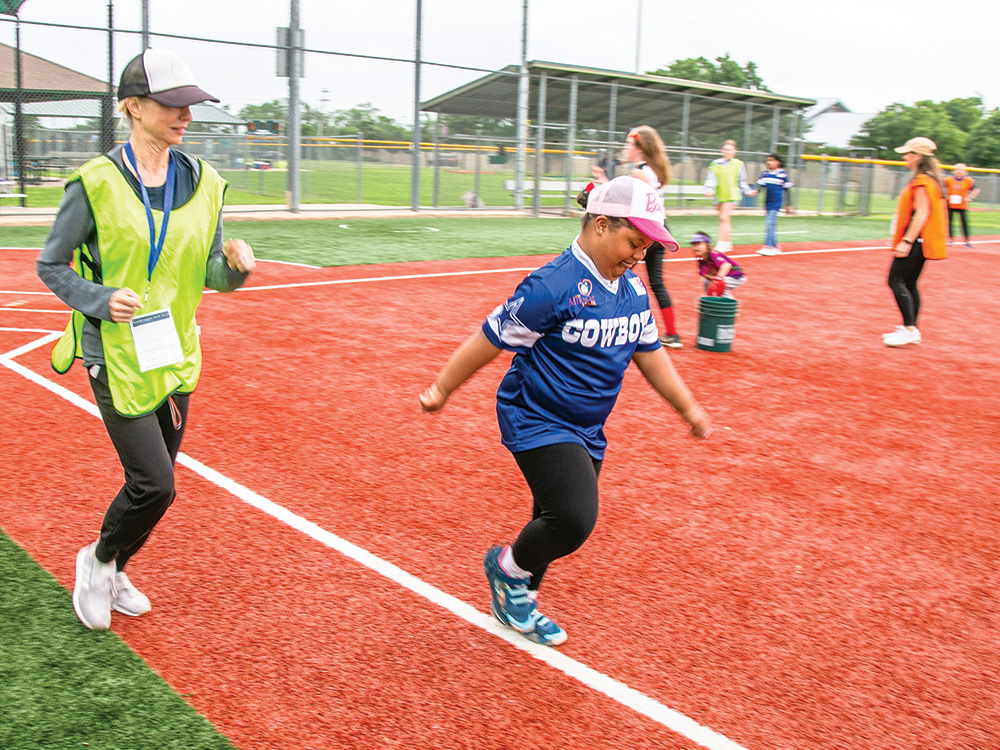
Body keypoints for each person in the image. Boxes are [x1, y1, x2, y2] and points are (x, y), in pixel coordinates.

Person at [419, 176, 711, 647]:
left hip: (587, 426)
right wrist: (441, 388)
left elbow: (651, 354)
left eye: (646, 247)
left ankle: (519, 602)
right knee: (574, 518)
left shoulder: (632, 291)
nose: (638, 256)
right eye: (633, 242)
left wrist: (689, 408)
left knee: (548, 514)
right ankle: (506, 569)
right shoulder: (551, 287)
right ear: (600, 225)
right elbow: (489, 338)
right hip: (535, 416)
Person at [36, 49, 256, 630]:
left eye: (191, 105)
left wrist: (234, 271)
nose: (185, 116)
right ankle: (98, 561)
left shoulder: (206, 182)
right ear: (133, 107)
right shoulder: (94, 184)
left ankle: (115, 566)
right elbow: (52, 265)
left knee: (158, 486)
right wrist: (100, 299)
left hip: (176, 349)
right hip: (113, 351)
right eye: (172, 104)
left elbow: (208, 271)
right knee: (155, 484)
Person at [592, 125, 682, 348]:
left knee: (614, 276)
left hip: (643, 231)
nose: (626, 148)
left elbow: (629, 202)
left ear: (640, 148)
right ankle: (672, 333)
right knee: (657, 283)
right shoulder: (654, 171)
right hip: (660, 230)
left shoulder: (639, 173)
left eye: (629, 144)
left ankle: (606, 324)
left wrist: (603, 183)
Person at [883, 136, 948, 348]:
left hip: (916, 240)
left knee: (895, 279)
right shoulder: (930, 179)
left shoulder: (922, 181)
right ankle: (911, 328)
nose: (905, 157)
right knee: (909, 282)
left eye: (909, 154)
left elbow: (921, 214)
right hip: (922, 241)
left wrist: (907, 240)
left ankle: (910, 329)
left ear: (919, 156)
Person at [703, 139, 757, 253]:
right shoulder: (714, 164)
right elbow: (710, 179)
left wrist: (748, 191)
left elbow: (742, 181)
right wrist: (709, 190)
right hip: (719, 194)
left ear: (735, 151)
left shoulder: (739, 164)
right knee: (723, 219)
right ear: (722, 150)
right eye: (726, 149)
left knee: (724, 218)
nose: (728, 151)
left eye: (730, 149)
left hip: (732, 194)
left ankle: (722, 243)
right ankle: (728, 243)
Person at [755, 153, 793, 256]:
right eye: (768, 160)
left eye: (772, 160)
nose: (769, 162)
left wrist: (788, 205)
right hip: (767, 202)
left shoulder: (783, 175)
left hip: (776, 202)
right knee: (771, 224)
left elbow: (787, 190)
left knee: (769, 223)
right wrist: (755, 191)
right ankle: (775, 246)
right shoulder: (765, 174)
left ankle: (768, 246)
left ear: (778, 162)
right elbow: (760, 187)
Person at [691, 231, 746, 299]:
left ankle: (729, 304)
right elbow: (705, 277)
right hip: (726, 276)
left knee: (719, 286)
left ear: (708, 246)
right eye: (694, 245)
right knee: (707, 282)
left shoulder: (713, 254)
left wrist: (718, 279)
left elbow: (726, 265)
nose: (696, 247)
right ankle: (711, 299)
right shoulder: (701, 261)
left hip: (735, 275)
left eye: (699, 244)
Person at [944, 163, 980, 247]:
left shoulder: (968, 181)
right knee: (949, 222)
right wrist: (945, 196)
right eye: (957, 170)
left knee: (964, 222)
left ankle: (967, 241)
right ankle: (950, 240)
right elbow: (942, 187)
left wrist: (970, 197)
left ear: (965, 172)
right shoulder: (948, 180)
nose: (959, 172)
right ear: (954, 171)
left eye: (961, 170)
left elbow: (976, 189)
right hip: (950, 204)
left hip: (962, 205)